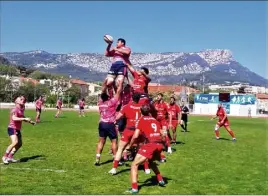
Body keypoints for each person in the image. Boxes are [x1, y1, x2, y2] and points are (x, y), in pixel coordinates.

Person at [126, 104, 165, 194]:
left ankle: (134, 188)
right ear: (149, 111)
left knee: (134, 165)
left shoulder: (141, 120)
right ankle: (160, 180)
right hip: (159, 145)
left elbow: (135, 136)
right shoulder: (154, 120)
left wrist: (129, 146)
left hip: (151, 145)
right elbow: (162, 134)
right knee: (151, 162)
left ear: (141, 111)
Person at [108, 93, 142, 175]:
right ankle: (145, 167)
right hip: (138, 131)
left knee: (120, 149)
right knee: (139, 150)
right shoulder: (142, 107)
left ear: (132, 98)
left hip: (128, 130)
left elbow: (118, 117)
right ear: (139, 99)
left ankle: (114, 168)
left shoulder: (126, 106)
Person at [2, 97, 35, 164]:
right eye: (21, 99)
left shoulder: (21, 110)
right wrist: (24, 118)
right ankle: (4, 157)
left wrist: (30, 121)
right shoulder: (15, 109)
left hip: (17, 129)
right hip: (12, 128)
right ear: (16, 101)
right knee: (15, 142)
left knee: (19, 144)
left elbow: (23, 117)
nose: (23, 100)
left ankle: (10, 157)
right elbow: (14, 118)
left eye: (24, 99)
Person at [94, 86, 122, 166]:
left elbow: (103, 93)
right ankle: (115, 159)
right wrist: (119, 83)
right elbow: (118, 93)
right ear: (108, 97)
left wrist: (106, 85)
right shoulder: (111, 102)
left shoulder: (100, 103)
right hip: (110, 124)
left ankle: (97, 159)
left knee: (101, 141)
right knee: (114, 141)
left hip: (102, 123)